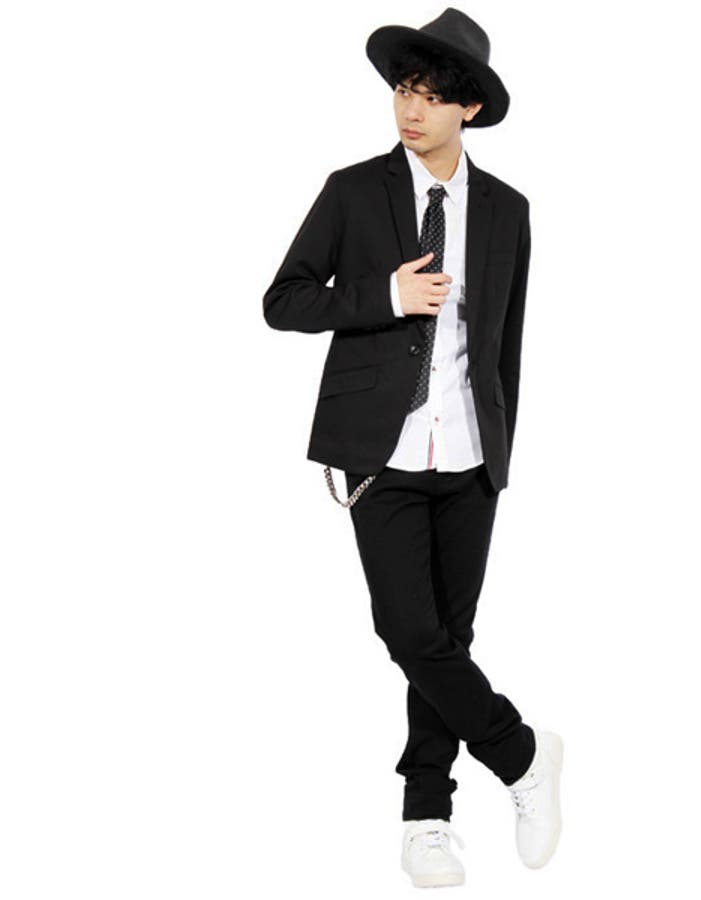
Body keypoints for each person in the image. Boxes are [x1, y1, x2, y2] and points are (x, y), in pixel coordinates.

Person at [262, 8, 563, 888]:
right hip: (381, 456)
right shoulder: (353, 191)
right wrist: (385, 296)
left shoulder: (508, 211)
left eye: (431, 95)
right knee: (408, 633)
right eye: (403, 89)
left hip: (470, 457)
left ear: (469, 108)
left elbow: (505, 346)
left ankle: (426, 816)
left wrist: (500, 454)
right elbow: (283, 301)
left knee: (448, 641)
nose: (411, 109)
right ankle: (523, 756)